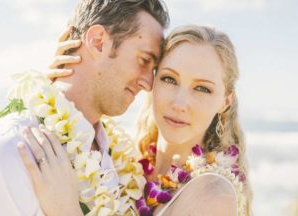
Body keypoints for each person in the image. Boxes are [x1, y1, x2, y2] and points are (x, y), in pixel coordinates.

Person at [20, 25, 253, 215]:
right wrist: (60, 91)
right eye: (170, 79)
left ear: (225, 101)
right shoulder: (121, 163)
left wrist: (66, 211)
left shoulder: (212, 195)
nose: (180, 103)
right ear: (150, 81)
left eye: (202, 88)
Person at [0, 0, 169, 215]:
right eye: (143, 60)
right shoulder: (9, 155)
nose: (148, 84)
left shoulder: (121, 163)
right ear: (97, 42)